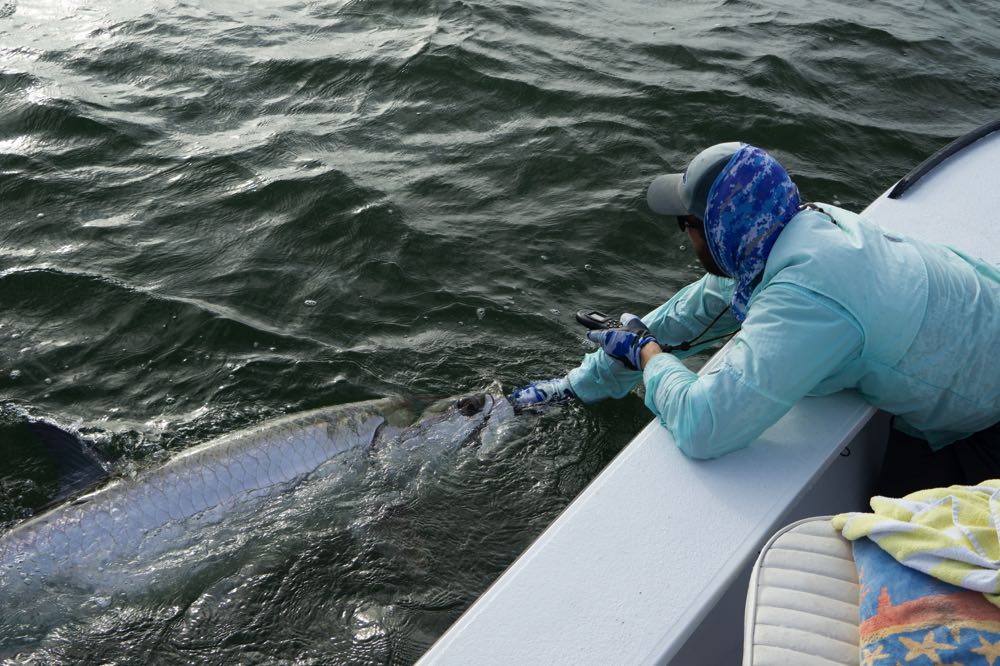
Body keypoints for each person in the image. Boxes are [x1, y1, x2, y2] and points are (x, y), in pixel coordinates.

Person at [510, 141, 1000, 495]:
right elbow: (696, 308)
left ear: (719, 230)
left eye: (688, 225)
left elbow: (707, 427)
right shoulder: (797, 226)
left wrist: (648, 356)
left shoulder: (805, 299)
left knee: (879, 542)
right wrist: (573, 386)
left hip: (987, 425)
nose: (686, 239)